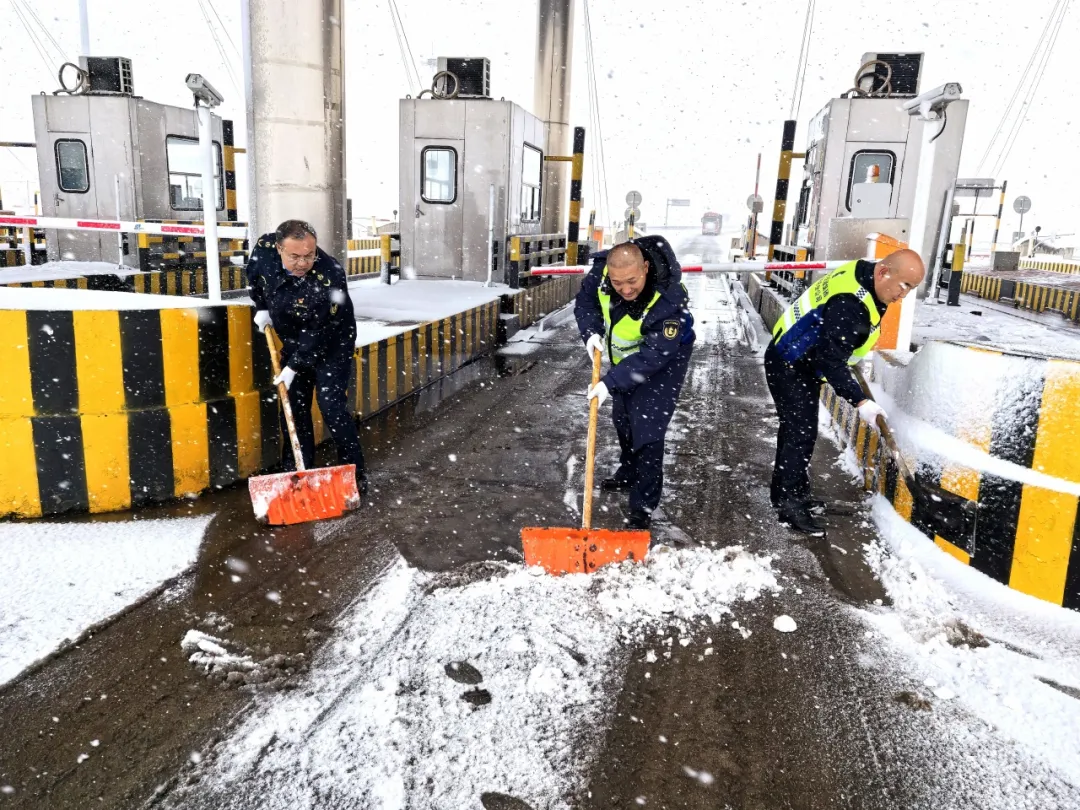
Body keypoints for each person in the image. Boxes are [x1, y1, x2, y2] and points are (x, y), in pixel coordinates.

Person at [765, 248, 926, 536]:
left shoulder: (862, 274)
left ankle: (793, 494)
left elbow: (837, 345)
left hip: (798, 357)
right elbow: (831, 359)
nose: (903, 295)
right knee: (799, 433)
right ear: (883, 272)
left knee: (799, 431)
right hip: (790, 363)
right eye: (903, 285)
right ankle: (789, 505)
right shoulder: (851, 303)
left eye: (911, 289)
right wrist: (860, 400)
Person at [574, 237, 696, 529]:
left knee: (648, 425)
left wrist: (610, 381)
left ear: (645, 267)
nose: (625, 290)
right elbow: (586, 303)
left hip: (667, 356)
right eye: (618, 284)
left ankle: (642, 507)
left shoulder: (668, 298)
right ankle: (629, 471)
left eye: (632, 281)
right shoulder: (602, 271)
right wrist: (590, 332)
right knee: (624, 417)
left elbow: (655, 354)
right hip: (626, 353)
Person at [246, 219, 367, 493]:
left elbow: (318, 332)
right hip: (294, 336)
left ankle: (354, 473)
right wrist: (261, 305)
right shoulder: (265, 248)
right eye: (295, 256)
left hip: (332, 341)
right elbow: (254, 273)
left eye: (309, 255)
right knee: (293, 405)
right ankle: (297, 471)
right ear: (279, 248)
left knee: (331, 405)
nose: (302, 263)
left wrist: (293, 366)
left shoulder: (329, 276)